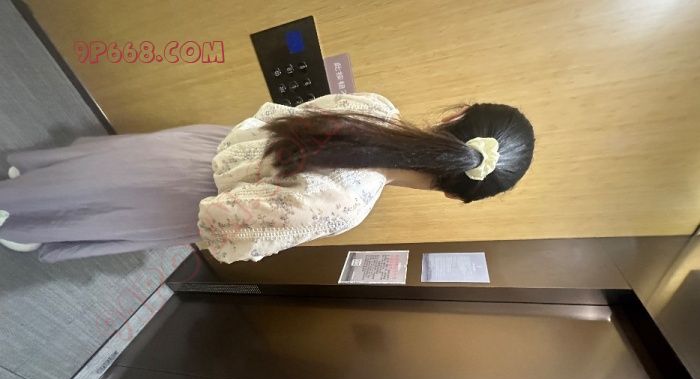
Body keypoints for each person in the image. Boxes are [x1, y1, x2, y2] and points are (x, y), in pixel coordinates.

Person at [0, 92, 535, 264]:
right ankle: (22, 212)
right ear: (453, 192)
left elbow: (275, 116)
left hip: (203, 144)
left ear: (453, 118)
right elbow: (225, 231)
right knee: (104, 204)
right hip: (187, 196)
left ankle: (28, 185)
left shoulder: (376, 106)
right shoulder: (347, 205)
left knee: (102, 170)